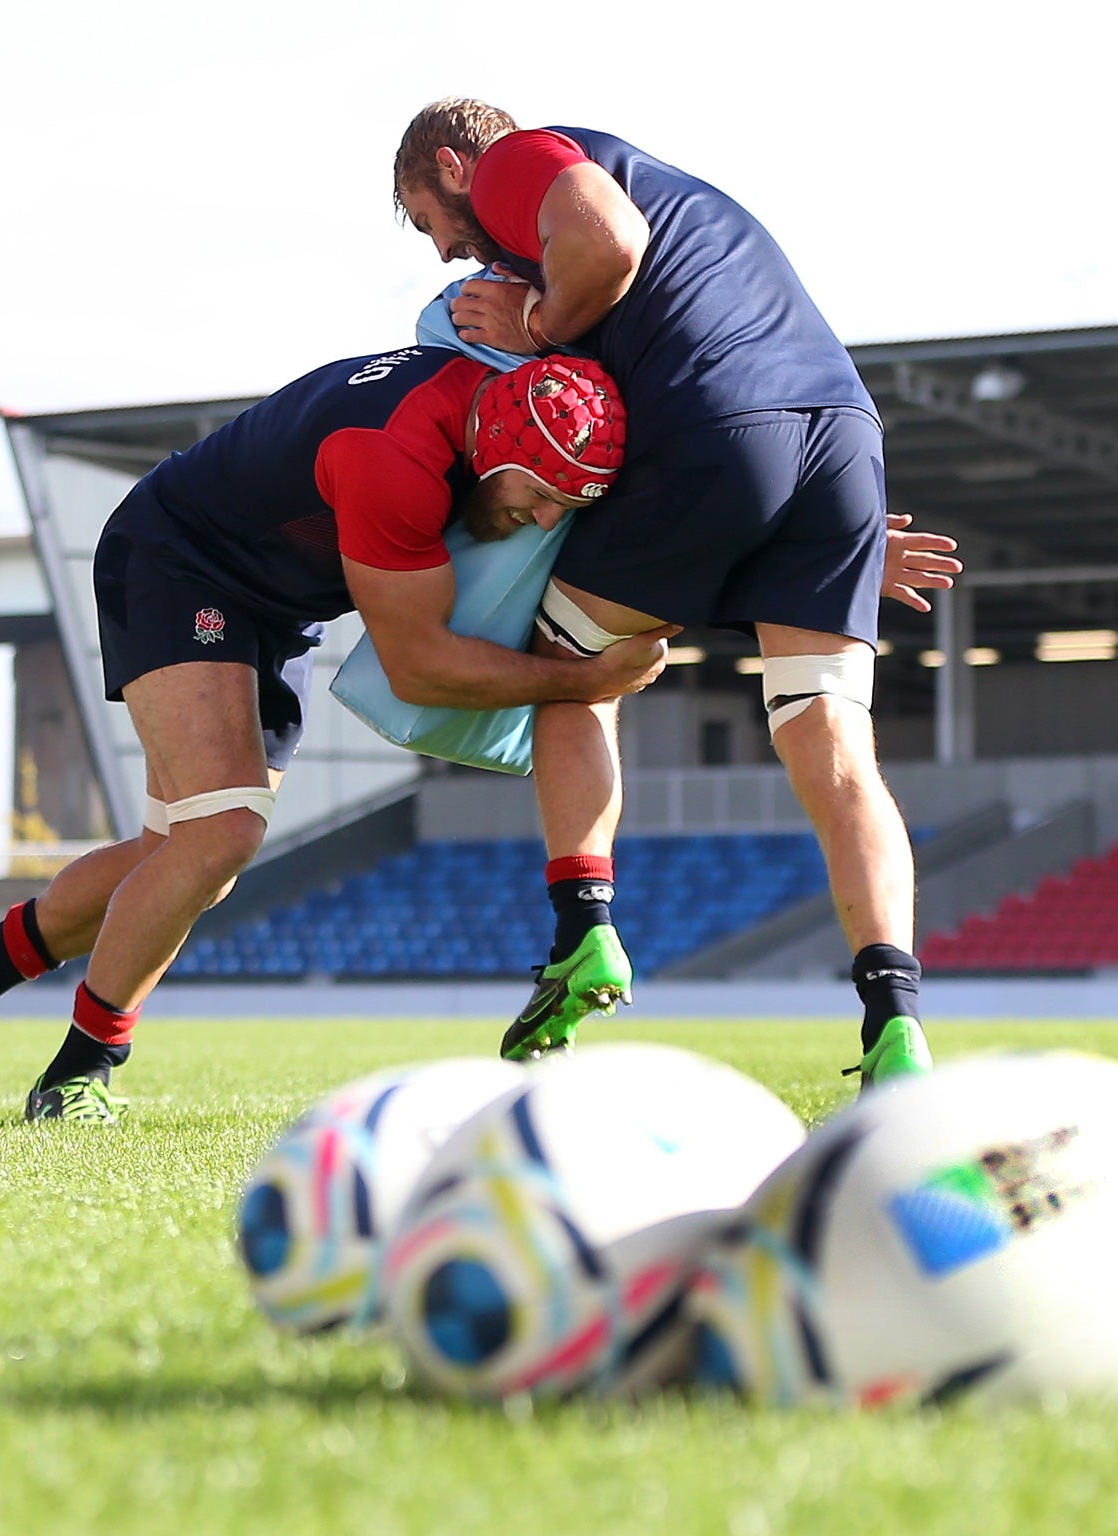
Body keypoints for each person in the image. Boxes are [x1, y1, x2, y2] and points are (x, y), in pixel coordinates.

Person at [0, 346, 667, 1124]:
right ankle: (78, 1074)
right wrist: (585, 682)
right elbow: (419, 671)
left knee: (186, 856)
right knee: (222, 834)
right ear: (496, 452)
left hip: (267, 601)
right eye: (538, 498)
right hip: (178, 564)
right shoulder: (393, 456)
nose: (541, 521)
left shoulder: (490, 405)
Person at [393, 100, 962, 1089]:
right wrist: (845, 537)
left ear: (449, 164)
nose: (446, 249)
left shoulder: (519, 160)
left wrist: (532, 326)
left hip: (718, 431)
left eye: (425, 218)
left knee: (568, 672)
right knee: (829, 743)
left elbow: (606, 243)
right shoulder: (683, 197)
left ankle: (584, 932)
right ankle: (894, 1020)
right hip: (839, 444)